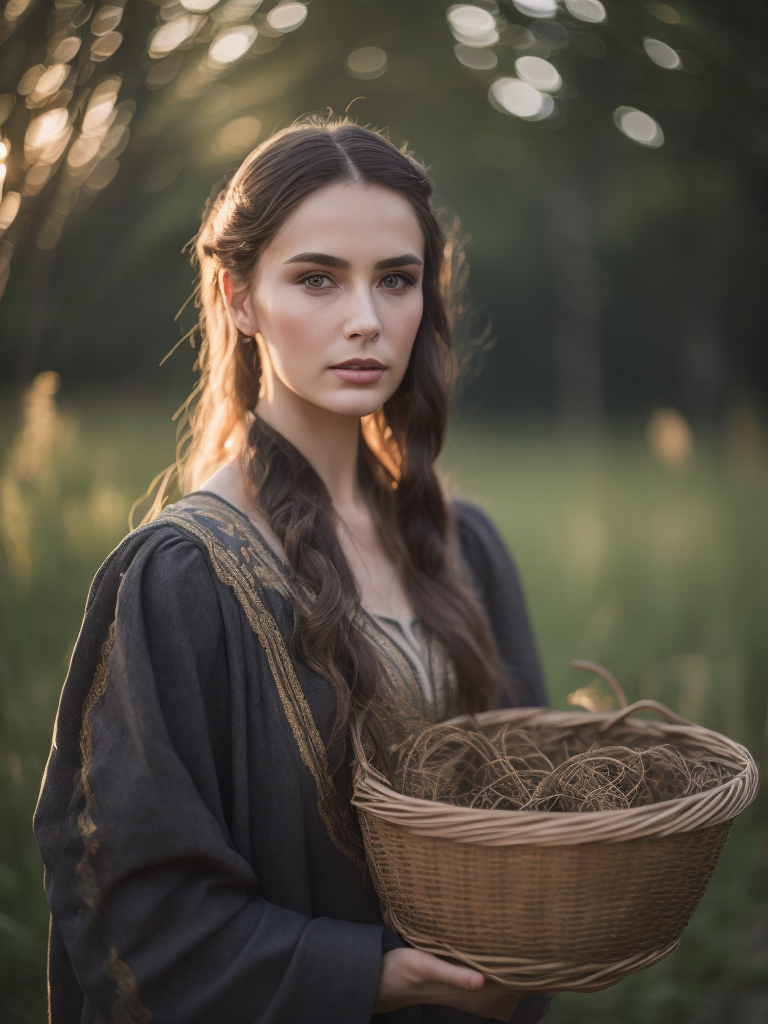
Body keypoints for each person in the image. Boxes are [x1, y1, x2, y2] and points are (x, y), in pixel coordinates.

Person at [34, 119, 552, 1024]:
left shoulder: (466, 547)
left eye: (395, 280)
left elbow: (538, 812)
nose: (366, 320)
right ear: (239, 297)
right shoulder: (179, 578)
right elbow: (138, 912)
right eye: (317, 278)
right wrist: (368, 975)